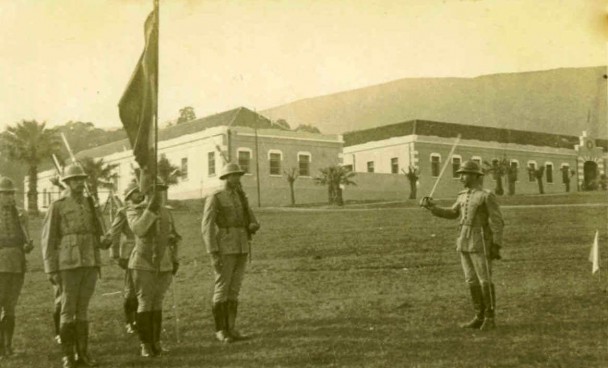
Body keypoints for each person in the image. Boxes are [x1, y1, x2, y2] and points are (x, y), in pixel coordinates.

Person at [420, 160, 504, 331]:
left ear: (475, 176)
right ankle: (478, 316)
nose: (461, 177)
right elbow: (452, 213)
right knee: (471, 280)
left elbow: (497, 222)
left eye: (464, 174)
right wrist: (432, 208)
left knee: (484, 280)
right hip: (463, 241)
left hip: (480, 241)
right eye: (460, 174)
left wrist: (496, 244)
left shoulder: (486, 195)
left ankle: (489, 318)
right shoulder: (461, 195)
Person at [41, 164, 111, 368]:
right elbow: (48, 239)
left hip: (89, 261)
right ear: (67, 182)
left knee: (83, 310)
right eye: (75, 180)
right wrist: (51, 268)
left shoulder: (91, 204)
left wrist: (105, 241)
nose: (79, 183)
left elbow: (97, 236)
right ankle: (68, 356)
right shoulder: (58, 205)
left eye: (81, 179)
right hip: (68, 262)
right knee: (67, 308)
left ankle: (83, 353)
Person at [202, 163, 260, 343]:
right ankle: (220, 330)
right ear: (225, 178)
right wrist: (212, 252)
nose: (237, 179)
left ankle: (231, 328)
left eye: (239, 176)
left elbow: (251, 219)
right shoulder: (216, 197)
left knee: (234, 289)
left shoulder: (241, 197)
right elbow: (207, 226)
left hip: (242, 245)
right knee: (222, 288)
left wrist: (253, 225)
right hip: (225, 247)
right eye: (233, 176)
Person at [126, 177, 180, 358]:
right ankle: (145, 344)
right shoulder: (135, 210)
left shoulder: (166, 212)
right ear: (147, 192)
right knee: (145, 302)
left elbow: (174, 235)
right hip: (143, 262)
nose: (160, 194)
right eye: (156, 190)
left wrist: (175, 256)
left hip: (164, 261)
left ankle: (157, 342)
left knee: (157, 302)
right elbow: (139, 229)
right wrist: (151, 210)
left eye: (162, 189)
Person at [0, 177, 34, 358]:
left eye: (11, 193)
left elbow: (26, 241)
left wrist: (28, 246)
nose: (9, 197)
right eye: (5, 193)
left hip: (16, 264)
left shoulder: (21, 214)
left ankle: (8, 345)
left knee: (10, 307)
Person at [107, 181, 144, 334]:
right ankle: (131, 321)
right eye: (135, 192)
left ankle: (142, 318)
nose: (139, 194)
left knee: (144, 287)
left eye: (139, 192)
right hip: (130, 253)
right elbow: (114, 233)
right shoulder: (123, 212)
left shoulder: (145, 209)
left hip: (146, 252)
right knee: (131, 288)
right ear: (129, 196)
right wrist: (115, 254)